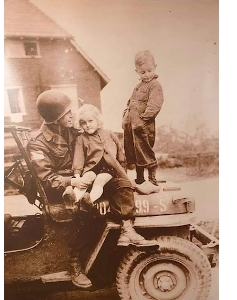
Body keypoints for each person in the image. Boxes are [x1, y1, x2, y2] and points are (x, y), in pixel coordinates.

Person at [27, 90, 158, 290]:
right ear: (55, 120)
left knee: (121, 186)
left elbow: (101, 146)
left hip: (89, 179)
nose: (73, 116)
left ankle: (127, 229)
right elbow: (47, 180)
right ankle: (75, 262)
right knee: (85, 210)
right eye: (67, 114)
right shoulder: (38, 143)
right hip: (63, 189)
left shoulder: (75, 130)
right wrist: (72, 182)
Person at [122, 50, 164, 195]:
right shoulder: (138, 86)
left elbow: (155, 104)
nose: (146, 74)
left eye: (149, 70)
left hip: (143, 127)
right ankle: (140, 179)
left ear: (155, 67)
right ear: (137, 71)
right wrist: (125, 117)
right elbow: (131, 102)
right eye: (142, 72)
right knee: (135, 152)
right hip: (132, 126)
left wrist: (143, 120)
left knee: (145, 151)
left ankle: (152, 180)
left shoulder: (155, 85)